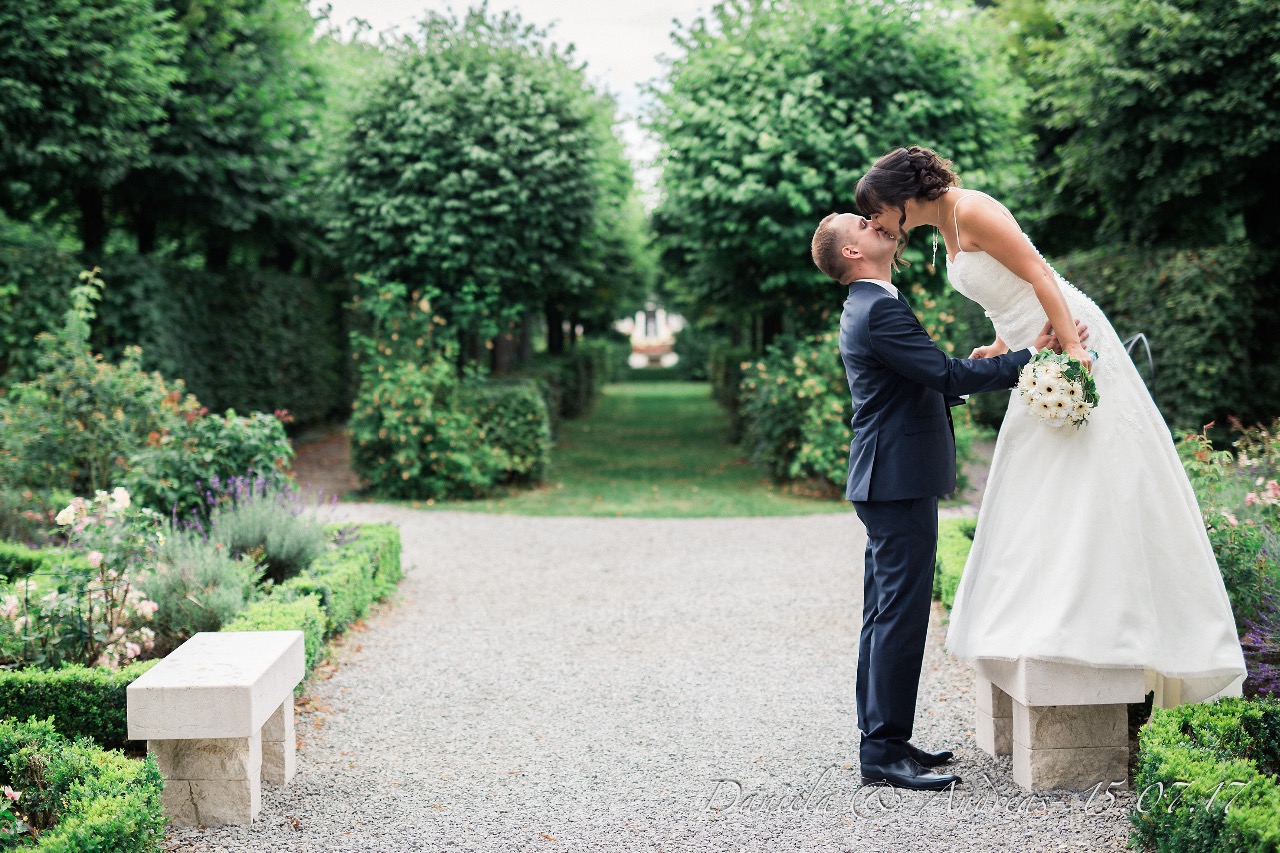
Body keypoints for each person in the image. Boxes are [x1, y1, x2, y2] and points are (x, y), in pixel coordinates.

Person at [854, 146, 1246, 711]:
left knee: (1094, 471)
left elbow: (1038, 272)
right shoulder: (944, 230)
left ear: (900, 198)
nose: (877, 224)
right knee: (1041, 481)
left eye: (876, 212)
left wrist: (1075, 351)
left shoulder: (974, 209)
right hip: (1032, 349)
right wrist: (1001, 345)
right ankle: (1048, 620)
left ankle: (1108, 626)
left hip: (1068, 337)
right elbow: (1004, 295)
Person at [809, 211, 1063, 791]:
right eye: (863, 224)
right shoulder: (877, 309)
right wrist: (1031, 357)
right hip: (895, 481)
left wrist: (977, 367)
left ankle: (886, 741)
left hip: (890, 479)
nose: (877, 223)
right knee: (897, 617)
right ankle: (882, 751)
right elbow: (944, 376)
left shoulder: (872, 305)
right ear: (851, 253)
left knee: (886, 615)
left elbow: (921, 379)